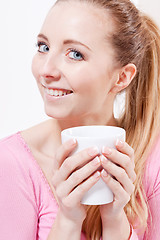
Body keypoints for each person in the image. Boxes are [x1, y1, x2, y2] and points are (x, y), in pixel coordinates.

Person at [0, 0, 160, 239]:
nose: (46, 70)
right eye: (43, 47)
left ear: (122, 77)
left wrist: (115, 219)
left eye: (75, 54)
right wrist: (67, 219)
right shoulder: (11, 164)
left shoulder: (153, 159)